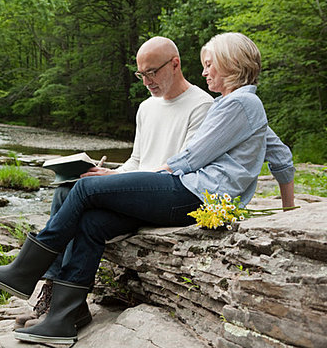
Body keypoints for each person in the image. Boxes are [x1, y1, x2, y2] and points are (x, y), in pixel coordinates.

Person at [0, 32, 295, 344]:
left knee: (85, 190)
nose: (204, 71)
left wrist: (127, 179)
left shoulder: (238, 105)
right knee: (91, 222)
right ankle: (64, 317)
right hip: (191, 193)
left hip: (192, 192)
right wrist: (287, 211)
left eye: (210, 64)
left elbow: (192, 157)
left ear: (231, 63)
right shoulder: (239, 105)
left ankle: (24, 272)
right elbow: (281, 156)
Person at [15, 36, 214, 328]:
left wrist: (115, 184)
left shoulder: (202, 105)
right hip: (135, 191)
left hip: (165, 197)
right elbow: (136, 160)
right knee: (70, 192)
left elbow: (183, 169)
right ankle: (66, 307)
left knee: (82, 195)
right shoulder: (147, 107)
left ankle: (33, 278)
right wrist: (109, 175)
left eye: (152, 73)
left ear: (175, 64)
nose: (146, 81)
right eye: (140, 74)